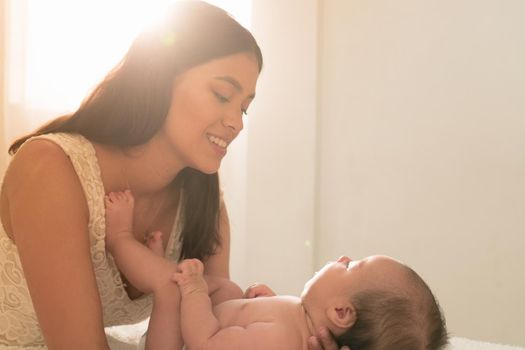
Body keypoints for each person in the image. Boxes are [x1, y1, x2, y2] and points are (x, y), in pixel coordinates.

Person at [0, 2, 343, 349]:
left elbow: (214, 333)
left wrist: (292, 333)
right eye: (222, 94)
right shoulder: (50, 168)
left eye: (244, 107)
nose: (237, 123)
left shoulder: (203, 201)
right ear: (159, 76)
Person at [105, 190, 449, 350]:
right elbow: (253, 325)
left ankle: (120, 237)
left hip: (176, 346)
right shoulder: (298, 321)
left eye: (352, 265)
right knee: (226, 288)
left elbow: (205, 342)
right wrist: (256, 304)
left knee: (170, 287)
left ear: (341, 312)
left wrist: (192, 290)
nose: (343, 257)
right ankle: (162, 264)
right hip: (216, 324)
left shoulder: (281, 338)